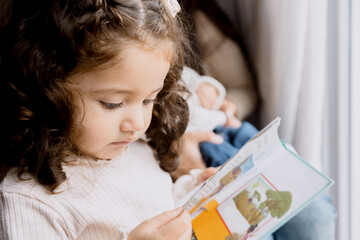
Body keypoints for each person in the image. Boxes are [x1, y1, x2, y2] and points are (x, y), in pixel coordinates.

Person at [0, 0, 217, 239]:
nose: (136, 123)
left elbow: (154, 209)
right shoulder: (30, 200)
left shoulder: (138, 149)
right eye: (112, 103)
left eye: (149, 100)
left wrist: (191, 194)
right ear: (48, 90)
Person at [181, 66, 259, 167]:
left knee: (244, 130)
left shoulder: (180, 70)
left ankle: (270, 151)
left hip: (219, 121)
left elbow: (195, 79)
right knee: (218, 152)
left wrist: (203, 85)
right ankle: (248, 171)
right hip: (198, 136)